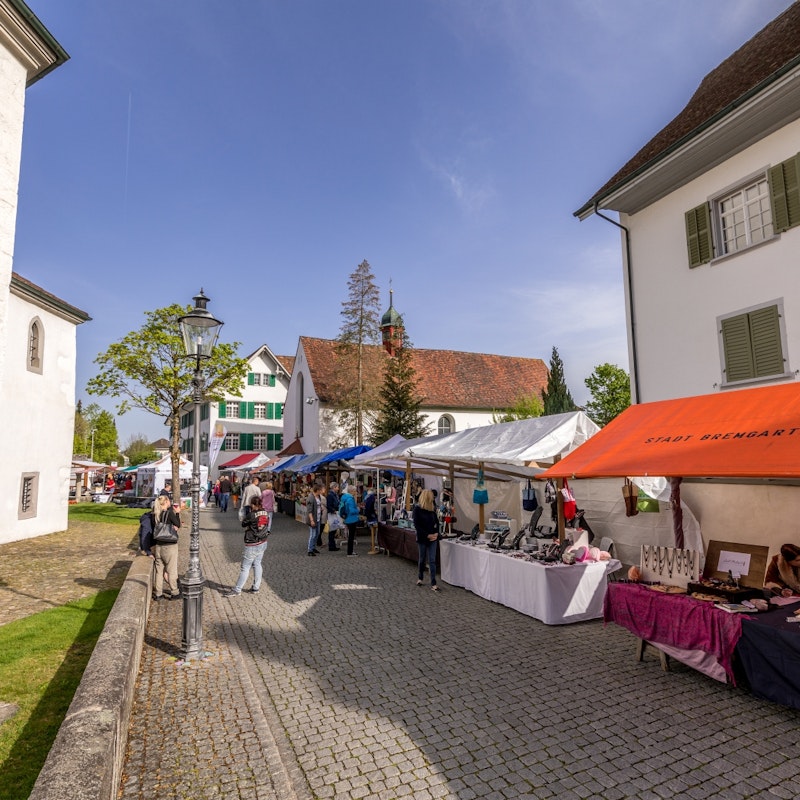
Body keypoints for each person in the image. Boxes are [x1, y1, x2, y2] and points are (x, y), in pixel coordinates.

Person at [223, 496, 270, 596]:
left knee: (245, 567)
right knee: (257, 564)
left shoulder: (251, 514)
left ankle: (237, 589)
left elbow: (243, 524)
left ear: (253, 505)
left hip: (252, 542)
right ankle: (256, 587)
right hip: (263, 541)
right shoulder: (266, 513)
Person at [151, 494, 181, 601]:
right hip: (169, 546)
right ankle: (175, 592)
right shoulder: (169, 514)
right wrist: (177, 513)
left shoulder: (155, 515)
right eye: (169, 501)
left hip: (159, 545)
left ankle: (158, 593)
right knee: (171, 570)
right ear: (166, 502)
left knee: (159, 571)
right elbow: (178, 524)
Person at [413, 489, 440, 592]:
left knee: (432, 560)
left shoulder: (432, 509)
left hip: (433, 537)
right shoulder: (417, 509)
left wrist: (437, 533)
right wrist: (427, 535)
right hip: (423, 537)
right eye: (432, 497)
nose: (433, 498)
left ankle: (433, 582)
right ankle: (420, 577)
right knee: (422, 558)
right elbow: (417, 526)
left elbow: (437, 523)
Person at [339, 485, 360, 557]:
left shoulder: (344, 497)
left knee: (350, 536)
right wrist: (357, 510)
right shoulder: (350, 499)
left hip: (347, 518)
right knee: (351, 536)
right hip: (352, 519)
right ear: (352, 491)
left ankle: (350, 551)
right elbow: (351, 510)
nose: (356, 492)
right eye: (355, 491)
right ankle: (350, 552)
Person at [305, 480, 324, 556]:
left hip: (318, 518)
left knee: (317, 533)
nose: (322, 491)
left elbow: (318, 505)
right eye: (320, 490)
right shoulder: (311, 498)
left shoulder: (318, 496)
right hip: (313, 518)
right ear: (317, 490)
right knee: (312, 534)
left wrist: (320, 508)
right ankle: (310, 550)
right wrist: (312, 520)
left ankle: (313, 547)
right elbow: (309, 510)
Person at [326, 482, 341, 551]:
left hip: (335, 513)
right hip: (332, 514)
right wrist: (333, 510)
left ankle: (332, 545)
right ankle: (331, 546)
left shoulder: (335, 495)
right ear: (334, 487)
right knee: (332, 530)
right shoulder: (330, 495)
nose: (338, 489)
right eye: (337, 487)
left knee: (334, 529)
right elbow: (328, 505)